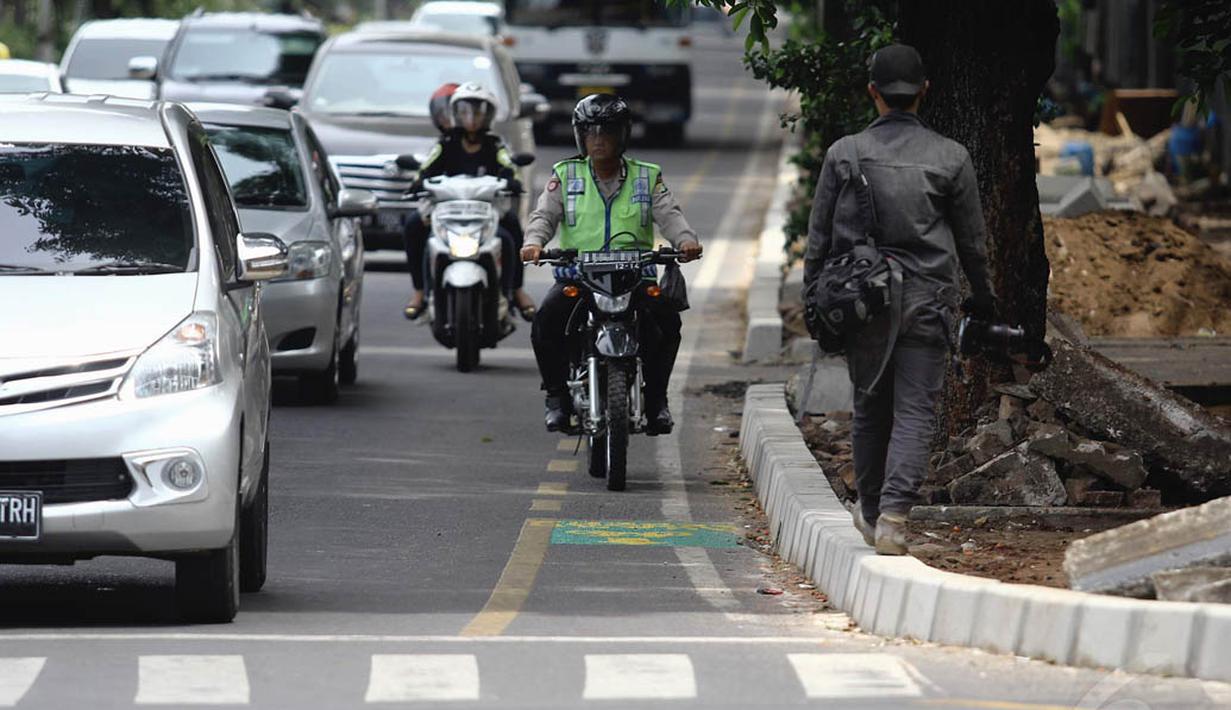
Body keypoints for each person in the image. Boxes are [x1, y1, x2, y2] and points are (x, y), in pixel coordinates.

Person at [802, 44, 996, 555]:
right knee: (916, 410)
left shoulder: (843, 153)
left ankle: (869, 512)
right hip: (928, 301)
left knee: (869, 405)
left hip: (862, 302)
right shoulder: (951, 157)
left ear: (873, 92)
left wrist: (812, 301)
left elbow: (818, 240)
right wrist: (985, 299)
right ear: (924, 91)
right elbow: (973, 244)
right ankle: (893, 517)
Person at [521, 93, 703, 434]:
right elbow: (544, 215)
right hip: (578, 276)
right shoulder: (566, 175)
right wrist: (534, 244)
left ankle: (656, 400)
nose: (599, 140)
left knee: (666, 323)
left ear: (623, 135)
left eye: (607, 132)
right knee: (546, 320)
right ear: (581, 136)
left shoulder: (647, 177)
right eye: (592, 133)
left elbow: (670, 215)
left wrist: (685, 241)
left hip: (635, 276)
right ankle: (557, 398)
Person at [402, 82, 536, 321]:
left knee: (511, 232)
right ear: (455, 114)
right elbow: (425, 168)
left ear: (489, 115)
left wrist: (512, 181)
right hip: (446, 210)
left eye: (478, 112)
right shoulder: (446, 143)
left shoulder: (495, 144)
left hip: (486, 211)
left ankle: (515, 290)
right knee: (413, 226)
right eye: (465, 111)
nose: (472, 118)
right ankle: (420, 292)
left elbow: (509, 166)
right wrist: (418, 181)